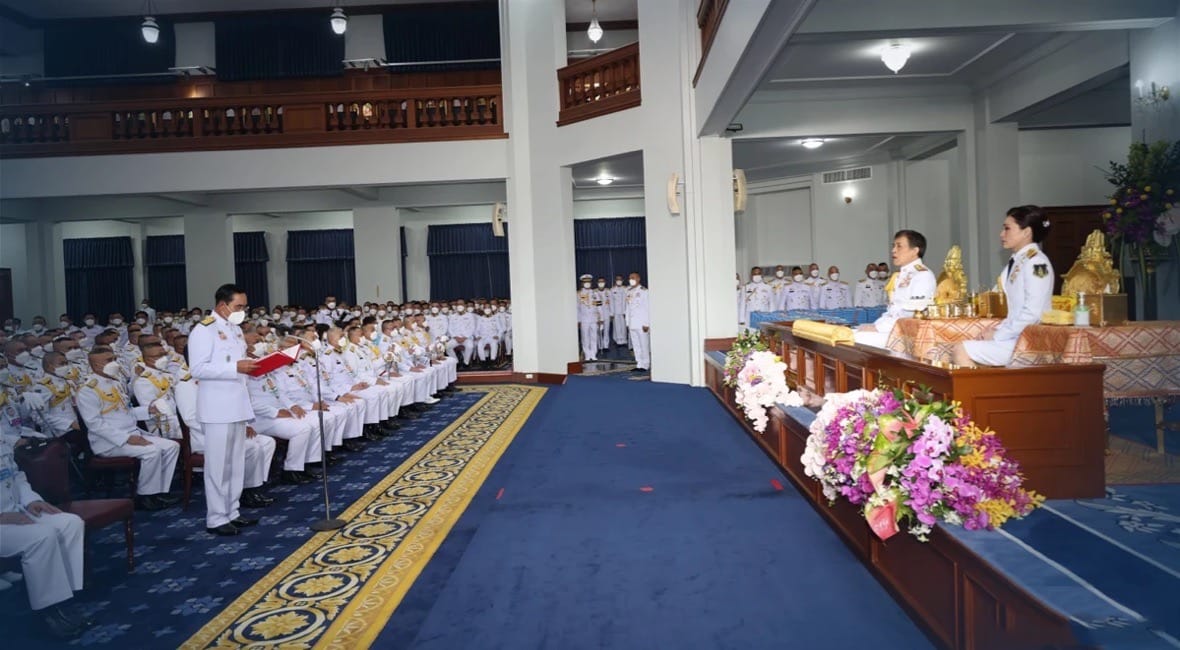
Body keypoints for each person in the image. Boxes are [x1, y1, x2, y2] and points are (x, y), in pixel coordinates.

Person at [0, 435, 90, 638]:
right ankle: (47, 612)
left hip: (17, 511)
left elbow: (16, 477)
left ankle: (66, 601)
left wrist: (31, 500)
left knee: (70, 523)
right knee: (42, 537)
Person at [187, 284, 259, 536]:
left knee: (235, 463)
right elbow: (197, 368)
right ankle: (216, 517)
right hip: (217, 407)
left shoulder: (234, 329)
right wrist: (235, 368)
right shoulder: (204, 329)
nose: (242, 311)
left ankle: (233, 511)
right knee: (218, 465)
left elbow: (239, 363)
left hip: (237, 404)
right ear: (222, 306)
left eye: (244, 307)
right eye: (239, 306)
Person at [75, 347, 181, 511]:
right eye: (108, 360)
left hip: (133, 433)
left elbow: (126, 412)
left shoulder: (116, 382)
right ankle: (145, 496)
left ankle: (160, 491)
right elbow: (94, 424)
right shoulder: (88, 390)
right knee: (152, 451)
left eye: (114, 358)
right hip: (110, 443)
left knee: (172, 446)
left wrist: (148, 410)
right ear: (95, 365)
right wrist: (126, 439)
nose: (114, 363)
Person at [954, 206, 1054, 367]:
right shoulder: (1018, 261)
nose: (1002, 234)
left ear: (1026, 232)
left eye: (1007, 229)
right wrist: (996, 330)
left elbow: (1033, 312)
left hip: (1029, 340)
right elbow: (1012, 309)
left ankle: (977, 392)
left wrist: (998, 334)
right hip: (1014, 336)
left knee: (962, 350)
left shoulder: (1037, 263)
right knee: (963, 343)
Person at [853, 230, 936, 348]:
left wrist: (878, 328)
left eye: (899, 246)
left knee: (853, 340)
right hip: (891, 328)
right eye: (893, 246)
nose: (893, 250)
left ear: (915, 251)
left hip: (907, 333)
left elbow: (911, 313)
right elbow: (892, 311)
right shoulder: (900, 275)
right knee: (847, 335)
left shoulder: (923, 275)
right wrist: (875, 326)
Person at [625, 272, 650, 372]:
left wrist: (647, 323)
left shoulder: (644, 291)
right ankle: (639, 363)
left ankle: (645, 364)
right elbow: (627, 308)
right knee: (636, 345)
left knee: (644, 345)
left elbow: (648, 308)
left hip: (641, 323)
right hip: (632, 323)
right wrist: (627, 322)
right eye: (630, 277)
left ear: (638, 279)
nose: (631, 279)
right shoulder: (629, 291)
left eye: (633, 277)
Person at [742, 267, 774, 332]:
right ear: (751, 275)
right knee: (751, 335)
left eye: (758, 273)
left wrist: (772, 318)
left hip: (764, 315)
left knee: (764, 334)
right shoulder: (746, 287)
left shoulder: (768, 287)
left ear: (762, 275)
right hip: (750, 316)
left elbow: (772, 303)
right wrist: (741, 319)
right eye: (754, 274)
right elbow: (742, 304)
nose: (757, 276)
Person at [576, 274, 600, 362]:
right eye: (585, 282)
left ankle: (593, 354)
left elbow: (599, 306)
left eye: (588, 282)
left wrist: (600, 318)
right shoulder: (579, 294)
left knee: (594, 336)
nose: (587, 283)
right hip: (584, 318)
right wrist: (578, 320)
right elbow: (577, 307)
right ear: (582, 283)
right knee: (585, 337)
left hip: (594, 318)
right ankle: (587, 354)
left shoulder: (595, 293)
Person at [609, 275, 629, 347]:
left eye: (620, 279)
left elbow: (627, 301)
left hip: (624, 311)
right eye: (617, 279)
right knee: (616, 326)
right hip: (615, 311)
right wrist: (611, 313)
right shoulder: (612, 290)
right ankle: (617, 340)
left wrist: (626, 312)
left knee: (623, 326)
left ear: (622, 280)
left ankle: (624, 340)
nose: (619, 281)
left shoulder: (626, 289)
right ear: (615, 280)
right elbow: (611, 302)